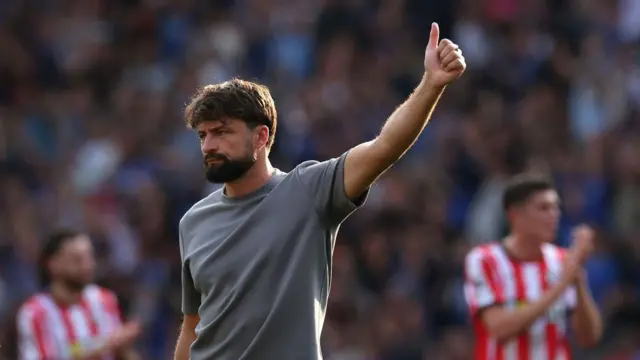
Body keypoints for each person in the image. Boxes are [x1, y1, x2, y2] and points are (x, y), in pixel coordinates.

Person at [174, 23, 466, 360]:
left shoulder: (308, 190)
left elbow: (383, 148)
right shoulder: (193, 222)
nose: (209, 145)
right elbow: (193, 327)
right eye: (203, 135)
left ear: (261, 137)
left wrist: (431, 85)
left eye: (222, 132)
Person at [464, 174, 603, 360]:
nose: (554, 215)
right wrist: (562, 284)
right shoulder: (484, 260)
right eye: (544, 208)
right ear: (515, 215)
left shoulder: (561, 260)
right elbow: (499, 329)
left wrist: (578, 283)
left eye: (556, 208)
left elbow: (589, 339)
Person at [15, 229, 141, 360]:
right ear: (53, 264)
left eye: (90, 257)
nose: (88, 266)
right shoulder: (36, 311)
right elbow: (58, 353)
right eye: (77, 259)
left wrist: (124, 345)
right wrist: (107, 342)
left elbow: (121, 352)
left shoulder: (104, 299)